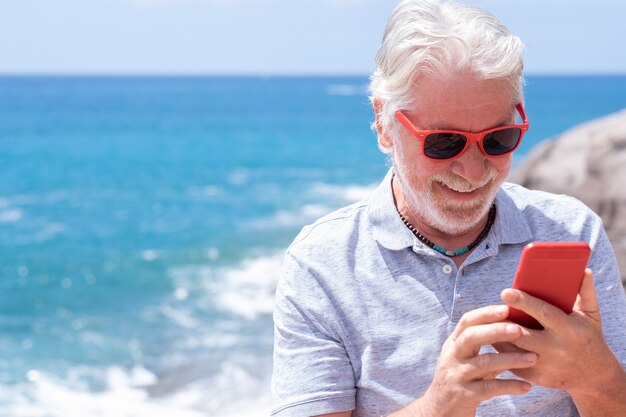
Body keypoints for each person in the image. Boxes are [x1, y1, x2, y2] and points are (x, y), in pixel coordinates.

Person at [271, 0, 626, 416]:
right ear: (385, 124)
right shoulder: (321, 263)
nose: (473, 171)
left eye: (498, 139)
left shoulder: (573, 230)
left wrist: (593, 376)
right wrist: (439, 406)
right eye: (444, 142)